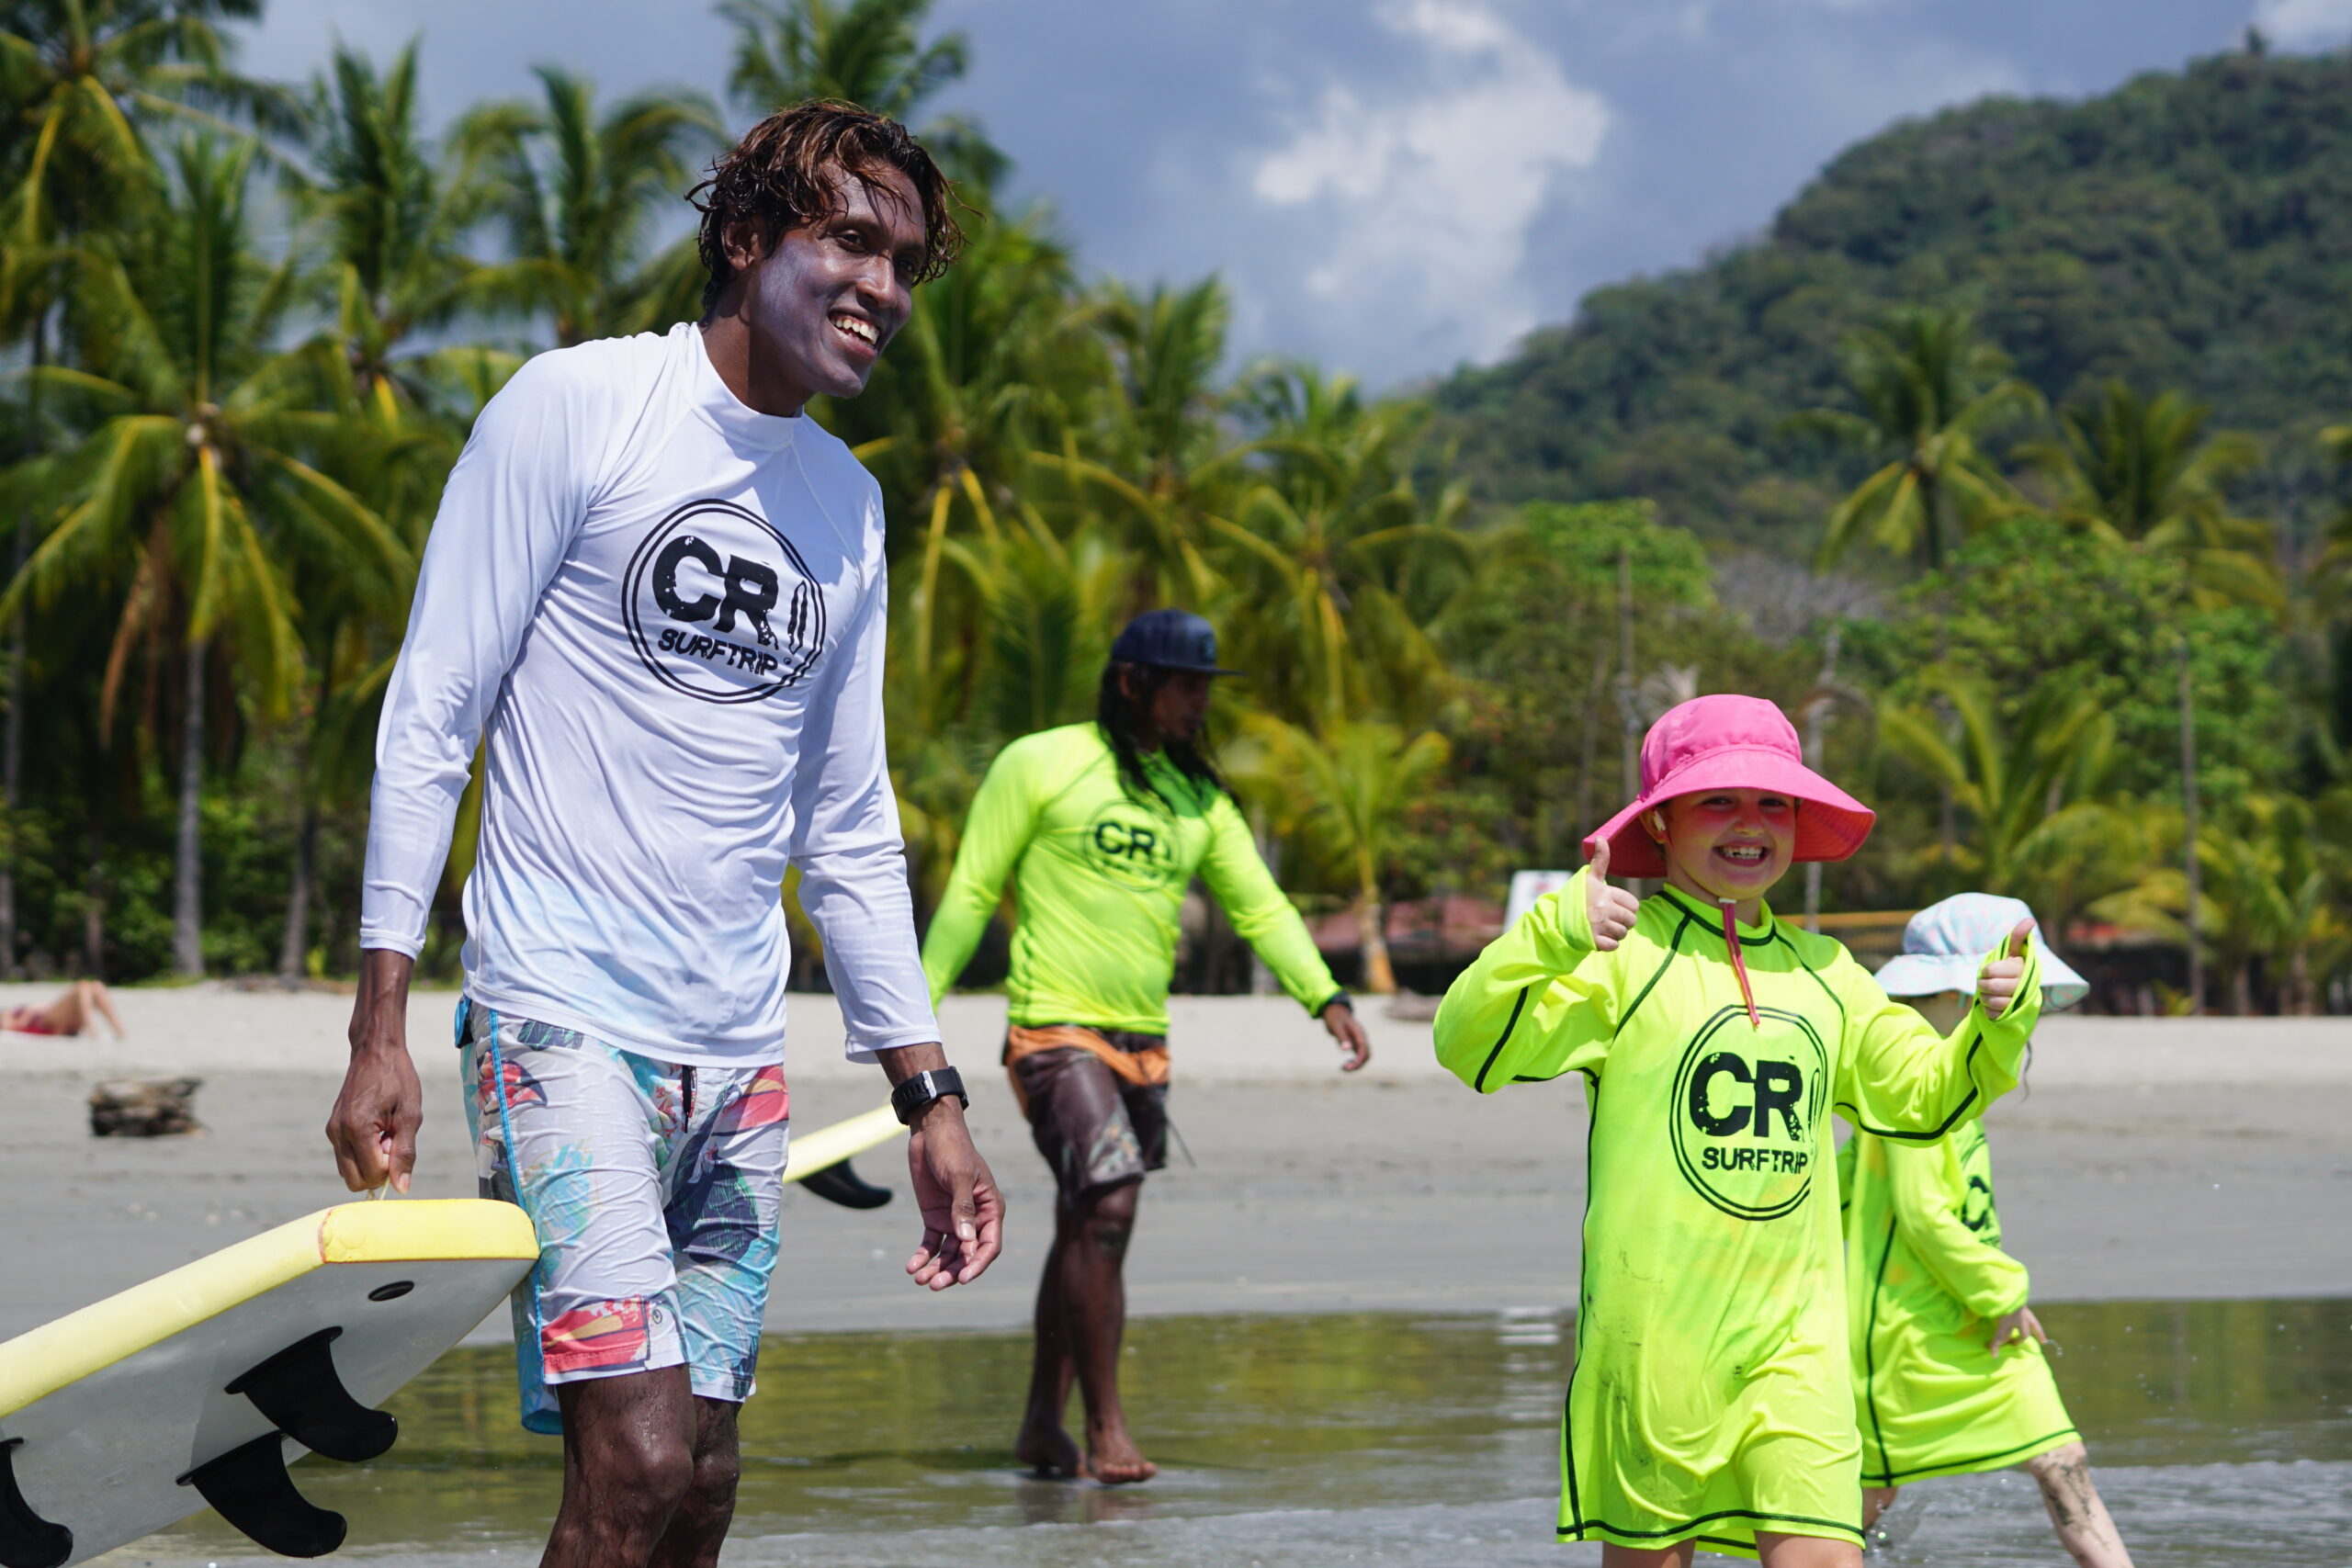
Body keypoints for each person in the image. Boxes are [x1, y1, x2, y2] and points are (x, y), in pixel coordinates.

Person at [323, 103, 1005, 1568]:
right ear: (748, 239)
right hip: (563, 1020)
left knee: (699, 1474)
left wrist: (928, 1095)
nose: (884, 288)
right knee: (629, 1459)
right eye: (852, 242)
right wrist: (379, 1017)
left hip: (737, 1052)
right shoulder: (577, 407)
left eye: (903, 265)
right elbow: (434, 710)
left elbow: (850, 827)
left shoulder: (849, 508)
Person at [1433, 694, 2044, 1566]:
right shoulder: (1623, 955)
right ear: (1665, 821)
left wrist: (1997, 1022)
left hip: (1798, 1341)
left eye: (1774, 802)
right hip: (1655, 1342)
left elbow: (1923, 1098)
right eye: (1719, 800)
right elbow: (1469, 1043)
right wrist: (1552, 934)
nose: (1749, 824)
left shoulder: (1828, 971)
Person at [921, 608, 1374, 1485]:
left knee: (1085, 1217)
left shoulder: (1196, 795)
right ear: (1132, 681)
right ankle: (1108, 1429)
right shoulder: (1042, 762)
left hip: (1145, 1047)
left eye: (1208, 685)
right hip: (1054, 1029)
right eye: (1186, 684)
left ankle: (1038, 1429)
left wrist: (1326, 993)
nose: (1202, 701)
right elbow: (973, 888)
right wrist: (910, 1022)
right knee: (1113, 1200)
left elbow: (1261, 904)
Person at [1845, 894, 2134, 1566]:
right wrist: (2002, 1289)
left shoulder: (1956, 1078)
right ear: (1954, 989)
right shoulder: (1912, 1074)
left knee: (2063, 1458)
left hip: (1969, 1323)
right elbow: (1924, 1215)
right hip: (1908, 1335)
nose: (2026, 1014)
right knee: (1866, 1495)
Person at [2, 978, 123, 1038]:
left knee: (96, 986)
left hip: (55, 1019)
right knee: (82, 986)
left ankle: (119, 1030)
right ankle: (91, 1028)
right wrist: (29, 1011)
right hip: (45, 1023)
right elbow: (15, 1026)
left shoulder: (11, 1011)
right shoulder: (8, 1016)